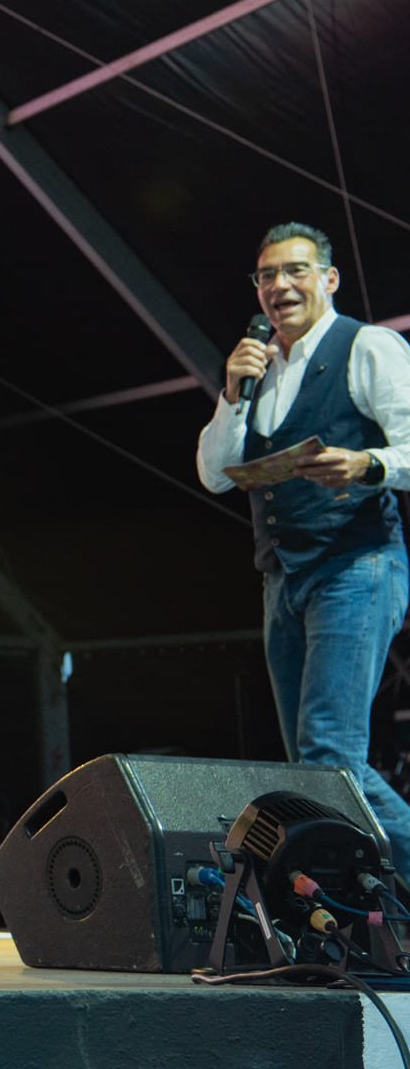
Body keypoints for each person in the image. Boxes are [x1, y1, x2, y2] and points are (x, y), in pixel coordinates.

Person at [196, 222, 410, 862]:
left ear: (328, 278)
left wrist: (368, 463)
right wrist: (233, 392)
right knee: (313, 769)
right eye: (266, 276)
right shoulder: (256, 368)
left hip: (357, 562)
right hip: (282, 578)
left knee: (328, 759)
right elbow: (212, 473)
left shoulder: (365, 345)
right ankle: (367, 916)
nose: (279, 286)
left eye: (294, 270)